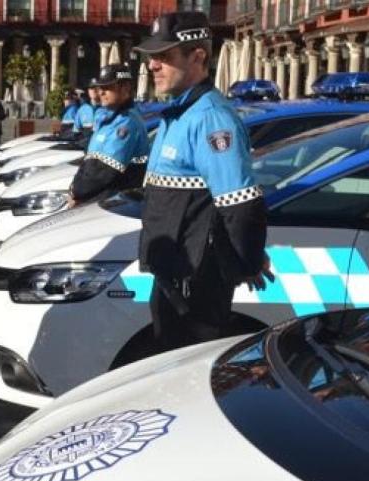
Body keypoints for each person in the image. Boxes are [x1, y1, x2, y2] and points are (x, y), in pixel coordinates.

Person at [133, 11, 272, 355]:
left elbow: (240, 204)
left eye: (164, 57)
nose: (153, 66)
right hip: (173, 278)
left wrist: (248, 262)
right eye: (152, 57)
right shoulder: (180, 113)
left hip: (195, 285)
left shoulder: (210, 119)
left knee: (188, 374)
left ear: (198, 57)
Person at [67, 64, 149, 207]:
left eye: (108, 88)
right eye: (100, 88)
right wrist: (74, 188)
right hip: (97, 199)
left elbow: (104, 171)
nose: (101, 92)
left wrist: (78, 192)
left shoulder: (127, 122)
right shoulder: (108, 118)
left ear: (126, 88)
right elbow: (90, 161)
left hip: (113, 204)